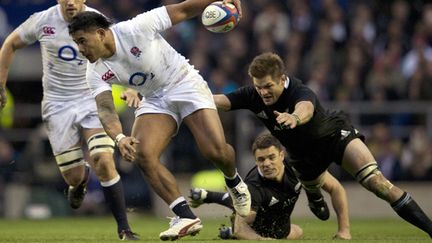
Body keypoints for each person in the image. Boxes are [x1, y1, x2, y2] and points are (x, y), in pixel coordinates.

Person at [67, 0, 251, 241]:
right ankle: (185, 215)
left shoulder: (136, 28)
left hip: (183, 82)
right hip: (154, 98)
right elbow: (105, 109)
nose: (79, 49)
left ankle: (234, 182)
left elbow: (184, 9)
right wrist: (120, 137)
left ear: (100, 34)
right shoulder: (94, 71)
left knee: (214, 150)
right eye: (76, 43)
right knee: (142, 154)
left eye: (82, 41)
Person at [214, 52, 432, 238]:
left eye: (268, 86)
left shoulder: (299, 90)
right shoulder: (253, 95)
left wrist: (295, 119)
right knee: (319, 208)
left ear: (282, 79)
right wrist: (189, 95)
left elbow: (306, 107)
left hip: (334, 138)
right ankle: (314, 194)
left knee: (378, 184)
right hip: (303, 156)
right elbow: (220, 101)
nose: (263, 92)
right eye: (258, 87)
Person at [0, 0, 137, 240]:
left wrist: (132, 85)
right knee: (72, 176)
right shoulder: (42, 21)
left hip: (91, 98)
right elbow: (10, 43)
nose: (71, 2)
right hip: (57, 106)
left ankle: (124, 228)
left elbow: (120, 53)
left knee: (104, 161)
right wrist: (1, 85)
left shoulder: (98, 21)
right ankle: (79, 181)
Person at [189, 133, 352, 240]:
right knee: (249, 215)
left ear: (282, 155)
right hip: (262, 225)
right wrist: (261, 240)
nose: (266, 163)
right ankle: (218, 207)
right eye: (261, 160)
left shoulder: (299, 165)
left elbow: (336, 188)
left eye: (271, 157)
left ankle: (312, 190)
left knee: (297, 230)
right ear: (255, 160)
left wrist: (344, 230)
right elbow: (241, 228)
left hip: (282, 220)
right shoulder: (253, 185)